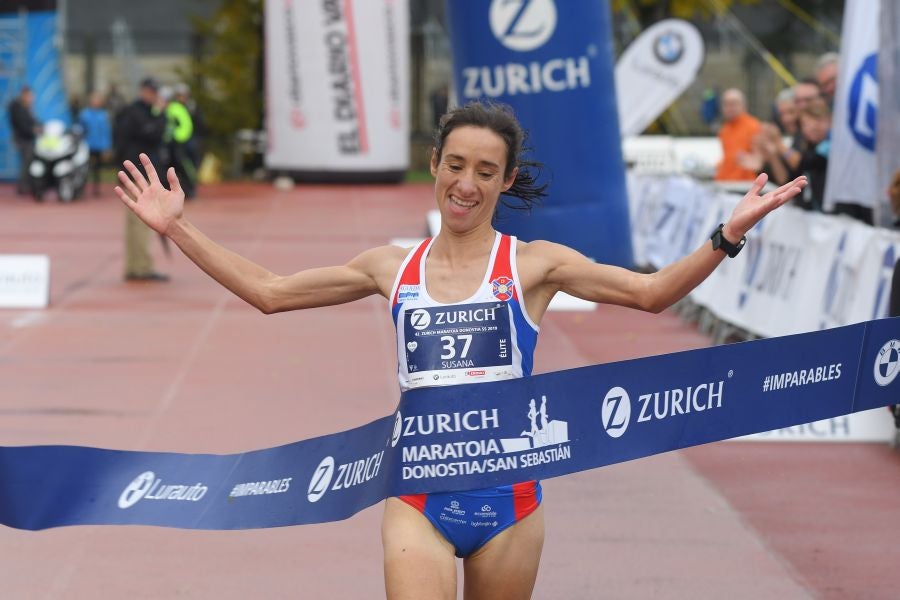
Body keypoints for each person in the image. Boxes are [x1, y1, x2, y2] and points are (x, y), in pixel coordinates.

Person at [114, 102, 806, 599]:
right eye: (454, 165)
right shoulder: (391, 268)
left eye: (484, 170)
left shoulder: (533, 265)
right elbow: (270, 290)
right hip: (418, 495)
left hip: (513, 498)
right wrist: (179, 230)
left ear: (506, 180)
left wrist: (727, 235)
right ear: (435, 166)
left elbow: (652, 292)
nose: (466, 184)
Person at [115, 77, 169, 282]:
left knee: (135, 223)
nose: (155, 97)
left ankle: (135, 265)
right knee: (141, 223)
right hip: (137, 174)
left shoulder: (132, 112)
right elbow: (153, 134)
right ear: (145, 91)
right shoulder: (137, 113)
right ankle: (141, 267)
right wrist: (162, 114)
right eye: (153, 93)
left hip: (133, 172)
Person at [714, 88, 761, 182]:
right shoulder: (724, 130)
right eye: (726, 104)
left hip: (745, 183)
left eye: (733, 104)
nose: (729, 108)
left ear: (744, 106)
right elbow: (728, 156)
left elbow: (758, 160)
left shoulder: (754, 126)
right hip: (725, 181)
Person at [7, 86, 41, 195]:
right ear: (24, 96)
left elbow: (35, 121)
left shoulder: (27, 108)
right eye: (30, 96)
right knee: (27, 162)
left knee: (29, 162)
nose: (31, 99)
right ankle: (23, 186)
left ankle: (28, 185)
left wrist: (40, 127)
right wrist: (33, 130)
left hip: (28, 139)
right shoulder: (17, 108)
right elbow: (22, 125)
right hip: (22, 139)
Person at [78, 91, 113, 197]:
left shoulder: (103, 115)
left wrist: (107, 147)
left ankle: (96, 188)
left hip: (99, 146)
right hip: (87, 145)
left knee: (97, 169)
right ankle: (81, 187)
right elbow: (80, 129)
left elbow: (106, 131)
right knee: (84, 167)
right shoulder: (84, 114)